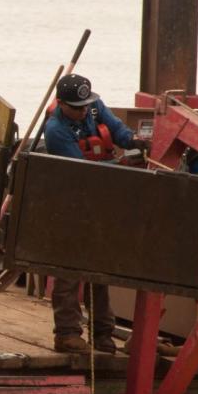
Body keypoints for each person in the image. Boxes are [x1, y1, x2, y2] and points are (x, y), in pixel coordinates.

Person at [43, 73, 146, 355]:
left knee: (100, 270)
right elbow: (83, 173)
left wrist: (135, 141)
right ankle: (67, 334)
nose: (83, 111)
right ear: (61, 104)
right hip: (71, 205)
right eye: (77, 107)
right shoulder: (56, 131)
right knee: (69, 271)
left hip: (100, 203)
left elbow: (117, 129)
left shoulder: (95, 107)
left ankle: (103, 334)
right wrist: (123, 163)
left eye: (86, 104)